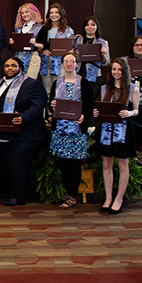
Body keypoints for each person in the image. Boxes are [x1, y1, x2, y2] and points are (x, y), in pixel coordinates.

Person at [0, 57, 47, 206]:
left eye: (13, 65)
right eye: (7, 65)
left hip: (25, 134)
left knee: (19, 165)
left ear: (21, 68)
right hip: (6, 133)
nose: (9, 68)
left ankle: (18, 197)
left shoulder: (32, 84)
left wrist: (24, 117)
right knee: (10, 165)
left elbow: (38, 105)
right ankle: (12, 193)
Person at [47, 53, 95, 208]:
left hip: (76, 130)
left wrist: (83, 115)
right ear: (62, 64)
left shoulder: (84, 82)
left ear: (76, 64)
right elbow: (50, 104)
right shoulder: (57, 83)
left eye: (72, 61)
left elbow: (89, 104)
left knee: (74, 163)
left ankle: (73, 195)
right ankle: (66, 193)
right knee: (63, 162)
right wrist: (52, 105)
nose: (69, 64)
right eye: (66, 61)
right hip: (60, 130)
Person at [94, 58, 140, 214]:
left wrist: (130, 112)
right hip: (106, 129)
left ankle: (119, 198)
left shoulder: (132, 89)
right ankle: (108, 197)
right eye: (114, 69)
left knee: (122, 164)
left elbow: (136, 110)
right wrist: (96, 113)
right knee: (106, 164)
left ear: (124, 71)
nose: (116, 72)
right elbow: (101, 108)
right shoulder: (104, 88)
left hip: (124, 130)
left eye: (119, 70)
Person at [36, 3, 76, 90]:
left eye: (56, 12)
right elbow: (38, 46)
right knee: (47, 88)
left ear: (61, 14)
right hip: (46, 62)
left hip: (60, 62)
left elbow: (71, 46)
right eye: (51, 13)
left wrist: (70, 52)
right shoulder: (44, 29)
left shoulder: (68, 30)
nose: (53, 15)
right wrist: (42, 51)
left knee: (59, 87)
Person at [9, 3, 44, 79]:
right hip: (19, 56)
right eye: (22, 13)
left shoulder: (40, 28)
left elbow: (43, 45)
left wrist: (35, 43)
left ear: (33, 12)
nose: (25, 14)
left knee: (29, 81)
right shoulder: (18, 28)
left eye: (27, 12)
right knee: (17, 80)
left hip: (33, 57)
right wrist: (12, 42)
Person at [79, 16, 110, 85]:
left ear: (97, 27)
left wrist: (102, 55)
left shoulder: (103, 42)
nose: (90, 27)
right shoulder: (78, 40)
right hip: (78, 71)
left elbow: (106, 63)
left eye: (93, 25)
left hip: (93, 74)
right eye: (87, 25)